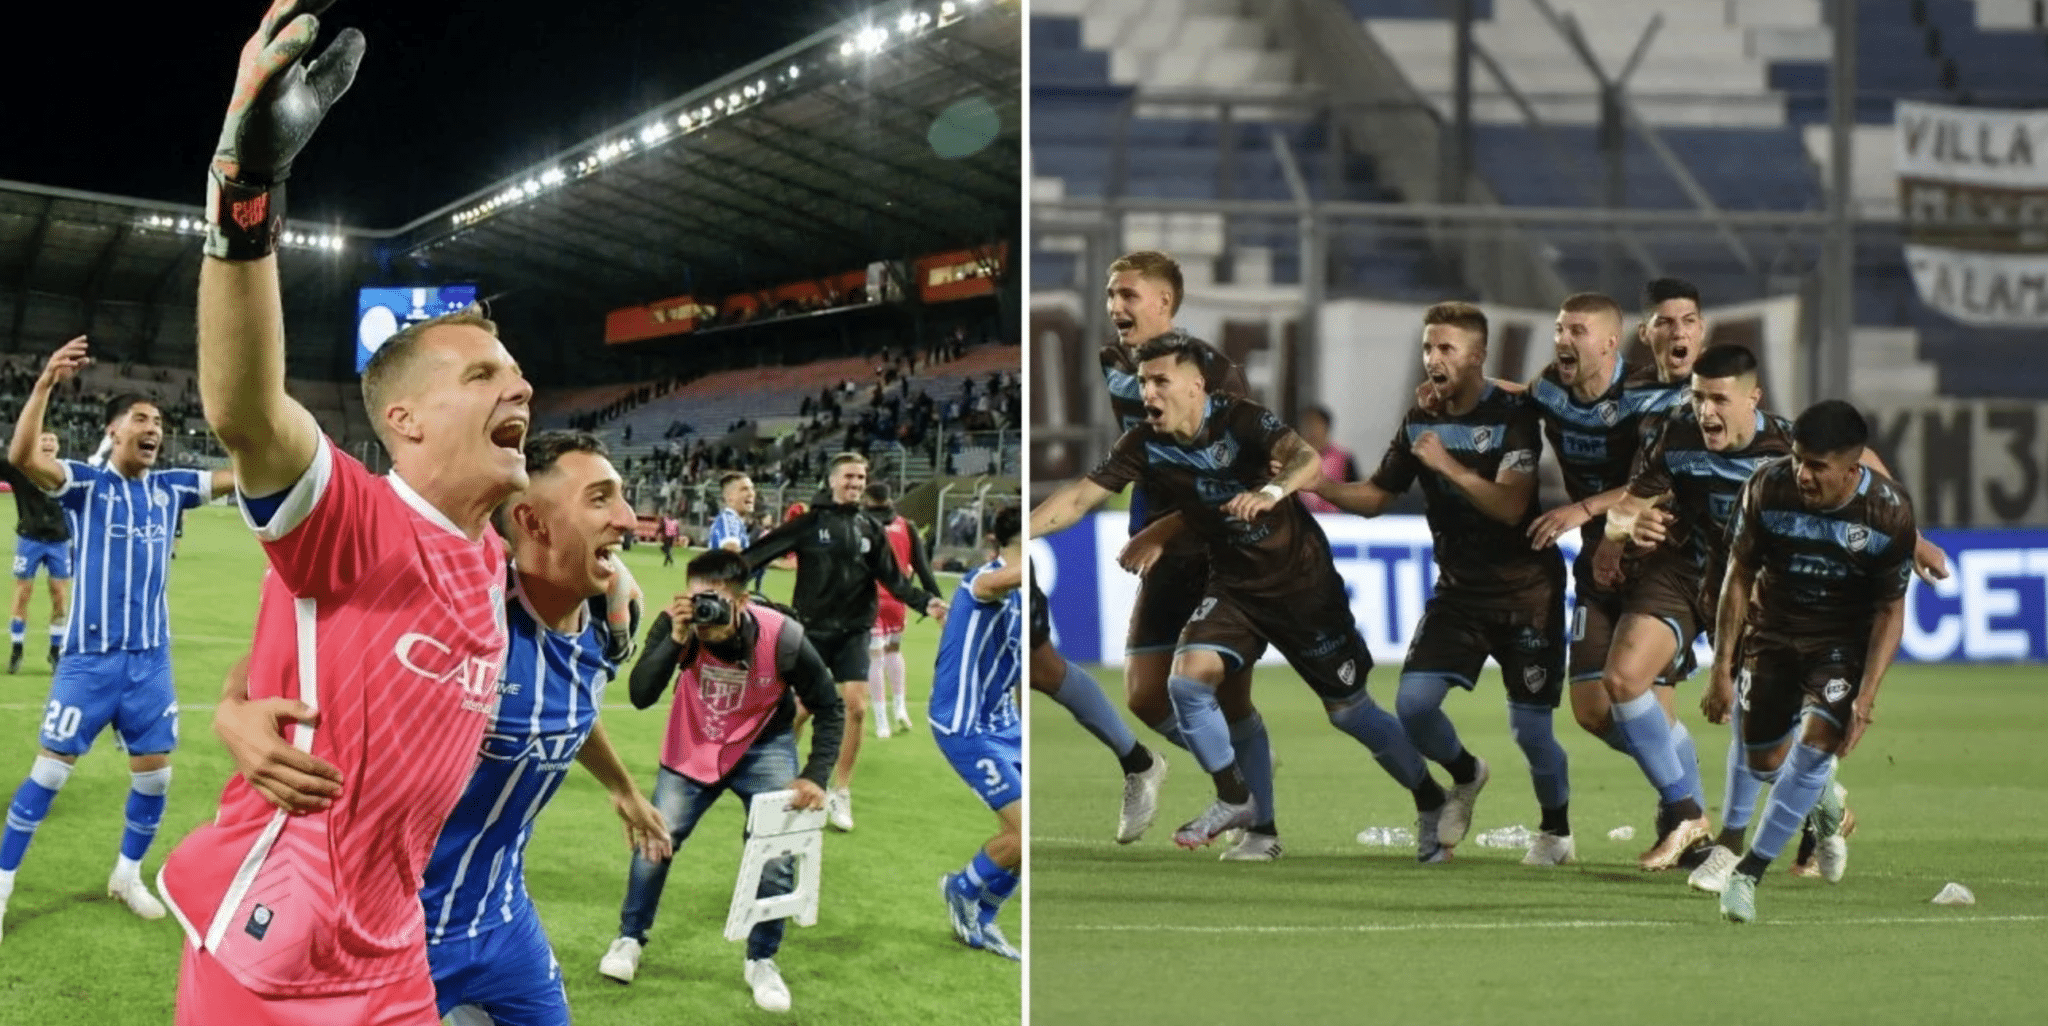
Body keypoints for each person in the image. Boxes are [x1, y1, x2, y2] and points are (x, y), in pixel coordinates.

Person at [157, 8, 534, 1020]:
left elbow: (275, 657)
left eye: (520, 373)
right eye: (486, 374)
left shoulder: (491, 560)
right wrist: (243, 193)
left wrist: (237, 707)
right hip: (270, 957)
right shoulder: (361, 518)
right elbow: (244, 411)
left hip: (393, 953)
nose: (523, 389)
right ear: (402, 419)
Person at [1032, 336, 1449, 860]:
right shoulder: (1143, 444)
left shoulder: (1242, 420)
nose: (1148, 393)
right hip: (1233, 587)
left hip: (1301, 585)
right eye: (1143, 383)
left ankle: (1430, 799)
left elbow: (1304, 457)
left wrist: (1273, 492)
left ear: (1195, 386)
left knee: (1348, 712)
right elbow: (1076, 497)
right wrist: (1021, 534)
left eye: (1160, 381)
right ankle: (1236, 799)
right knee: (1187, 680)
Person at [1312, 303, 1573, 864]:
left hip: (1528, 591)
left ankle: (1555, 830)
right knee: (1414, 705)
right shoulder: (1419, 419)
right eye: (1429, 347)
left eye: (1447, 348)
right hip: (1459, 591)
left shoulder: (1512, 416)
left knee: (1531, 730)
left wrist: (1448, 466)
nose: (1433, 358)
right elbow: (1378, 496)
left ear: (1477, 355)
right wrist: (1317, 485)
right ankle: (1465, 773)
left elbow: (1511, 506)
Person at [0, 340, 234, 941]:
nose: (153, 427)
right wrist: (46, 383)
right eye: (141, 419)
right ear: (114, 430)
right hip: (89, 661)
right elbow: (22, 454)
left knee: (155, 776)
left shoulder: (173, 487)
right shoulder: (85, 484)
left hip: (150, 661)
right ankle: (1, 886)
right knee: (49, 775)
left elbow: (241, 475)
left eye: (158, 421)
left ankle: (126, 876)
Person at [596, 550, 844, 1013]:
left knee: (776, 853)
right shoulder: (679, 624)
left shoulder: (783, 636)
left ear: (743, 601)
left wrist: (814, 775)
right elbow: (641, 695)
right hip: (693, 744)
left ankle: (762, 959)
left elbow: (830, 706)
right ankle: (629, 938)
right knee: (654, 841)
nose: (703, 612)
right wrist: (674, 638)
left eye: (715, 602)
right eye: (696, 600)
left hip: (763, 747)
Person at [1095, 250, 1281, 861]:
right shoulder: (1115, 363)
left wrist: (1165, 527)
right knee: (1146, 695)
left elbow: (1241, 475)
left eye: (1128, 295)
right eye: (1111, 295)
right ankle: (1235, 763)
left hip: (1219, 546)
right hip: (1161, 544)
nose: (1116, 306)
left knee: (1229, 695)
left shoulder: (1216, 372)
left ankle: (1262, 829)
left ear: (1164, 304)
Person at [1700, 402, 1916, 923]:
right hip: (1772, 635)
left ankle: (1747, 875)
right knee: (1766, 763)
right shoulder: (1767, 487)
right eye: (1799, 459)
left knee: (1817, 745)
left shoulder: (1888, 513)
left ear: (1852, 469)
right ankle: (1827, 805)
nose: (1803, 473)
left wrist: (1866, 697)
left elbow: (1891, 610)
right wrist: (1721, 667)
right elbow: (1738, 576)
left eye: (1817, 466)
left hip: (1841, 643)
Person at [1594, 345, 1794, 869]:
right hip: (1687, 572)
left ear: (1753, 398)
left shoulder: (1789, 452)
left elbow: (1856, 476)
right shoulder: (1676, 434)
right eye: (1698, 397)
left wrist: (1915, 542)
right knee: (1620, 680)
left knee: (1763, 745)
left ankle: (1825, 808)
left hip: (1760, 594)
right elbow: (1623, 514)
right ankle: (1685, 814)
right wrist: (1626, 528)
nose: (1706, 411)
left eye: (1719, 399)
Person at [741, 454, 945, 832]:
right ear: (832, 480)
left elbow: (895, 580)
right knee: (799, 709)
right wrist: (725, 578)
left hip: (854, 630)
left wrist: (927, 602)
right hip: (812, 630)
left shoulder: (871, 528)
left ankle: (841, 791)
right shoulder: (807, 524)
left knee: (855, 707)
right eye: (849, 476)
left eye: (861, 477)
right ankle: (774, 776)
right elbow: (758, 554)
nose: (856, 482)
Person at [935, 507, 1024, 961]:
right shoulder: (983, 579)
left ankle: (986, 919)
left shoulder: (1026, 596)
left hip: (1007, 725)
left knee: (1029, 837)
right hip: (965, 725)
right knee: (1021, 833)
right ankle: (961, 887)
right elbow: (992, 584)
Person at [1027, 560, 1167, 844]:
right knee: (1034, 669)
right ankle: (1137, 761)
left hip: (1013, 563)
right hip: (1007, 558)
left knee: (1041, 668)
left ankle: (1139, 762)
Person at [862, 481, 941, 737]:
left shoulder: (861, 524)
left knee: (875, 657)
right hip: (899, 599)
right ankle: (900, 709)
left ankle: (882, 720)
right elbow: (922, 566)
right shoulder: (907, 526)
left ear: (867, 498)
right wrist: (935, 599)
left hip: (869, 598)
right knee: (894, 651)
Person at [2, 432, 70, 674]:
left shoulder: (67, 474)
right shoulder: (21, 470)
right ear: (35, 445)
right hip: (29, 540)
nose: (49, 444)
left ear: (58, 447)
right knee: (22, 595)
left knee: (60, 599)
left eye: (53, 440)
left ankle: (55, 650)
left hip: (58, 543)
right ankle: (17, 649)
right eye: (44, 440)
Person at [1293, 404, 1359, 516]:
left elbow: (1355, 496)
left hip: (1336, 521)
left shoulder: (1344, 458)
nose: (1311, 431)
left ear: (1327, 427)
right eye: (1307, 426)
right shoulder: (1292, 459)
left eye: (1316, 425)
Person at [705, 472, 764, 590]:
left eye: (752, 489)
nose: (751, 493)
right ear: (729, 498)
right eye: (744, 489)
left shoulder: (736, 522)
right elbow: (732, 551)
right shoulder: (729, 519)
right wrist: (770, 558)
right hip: (722, 593)